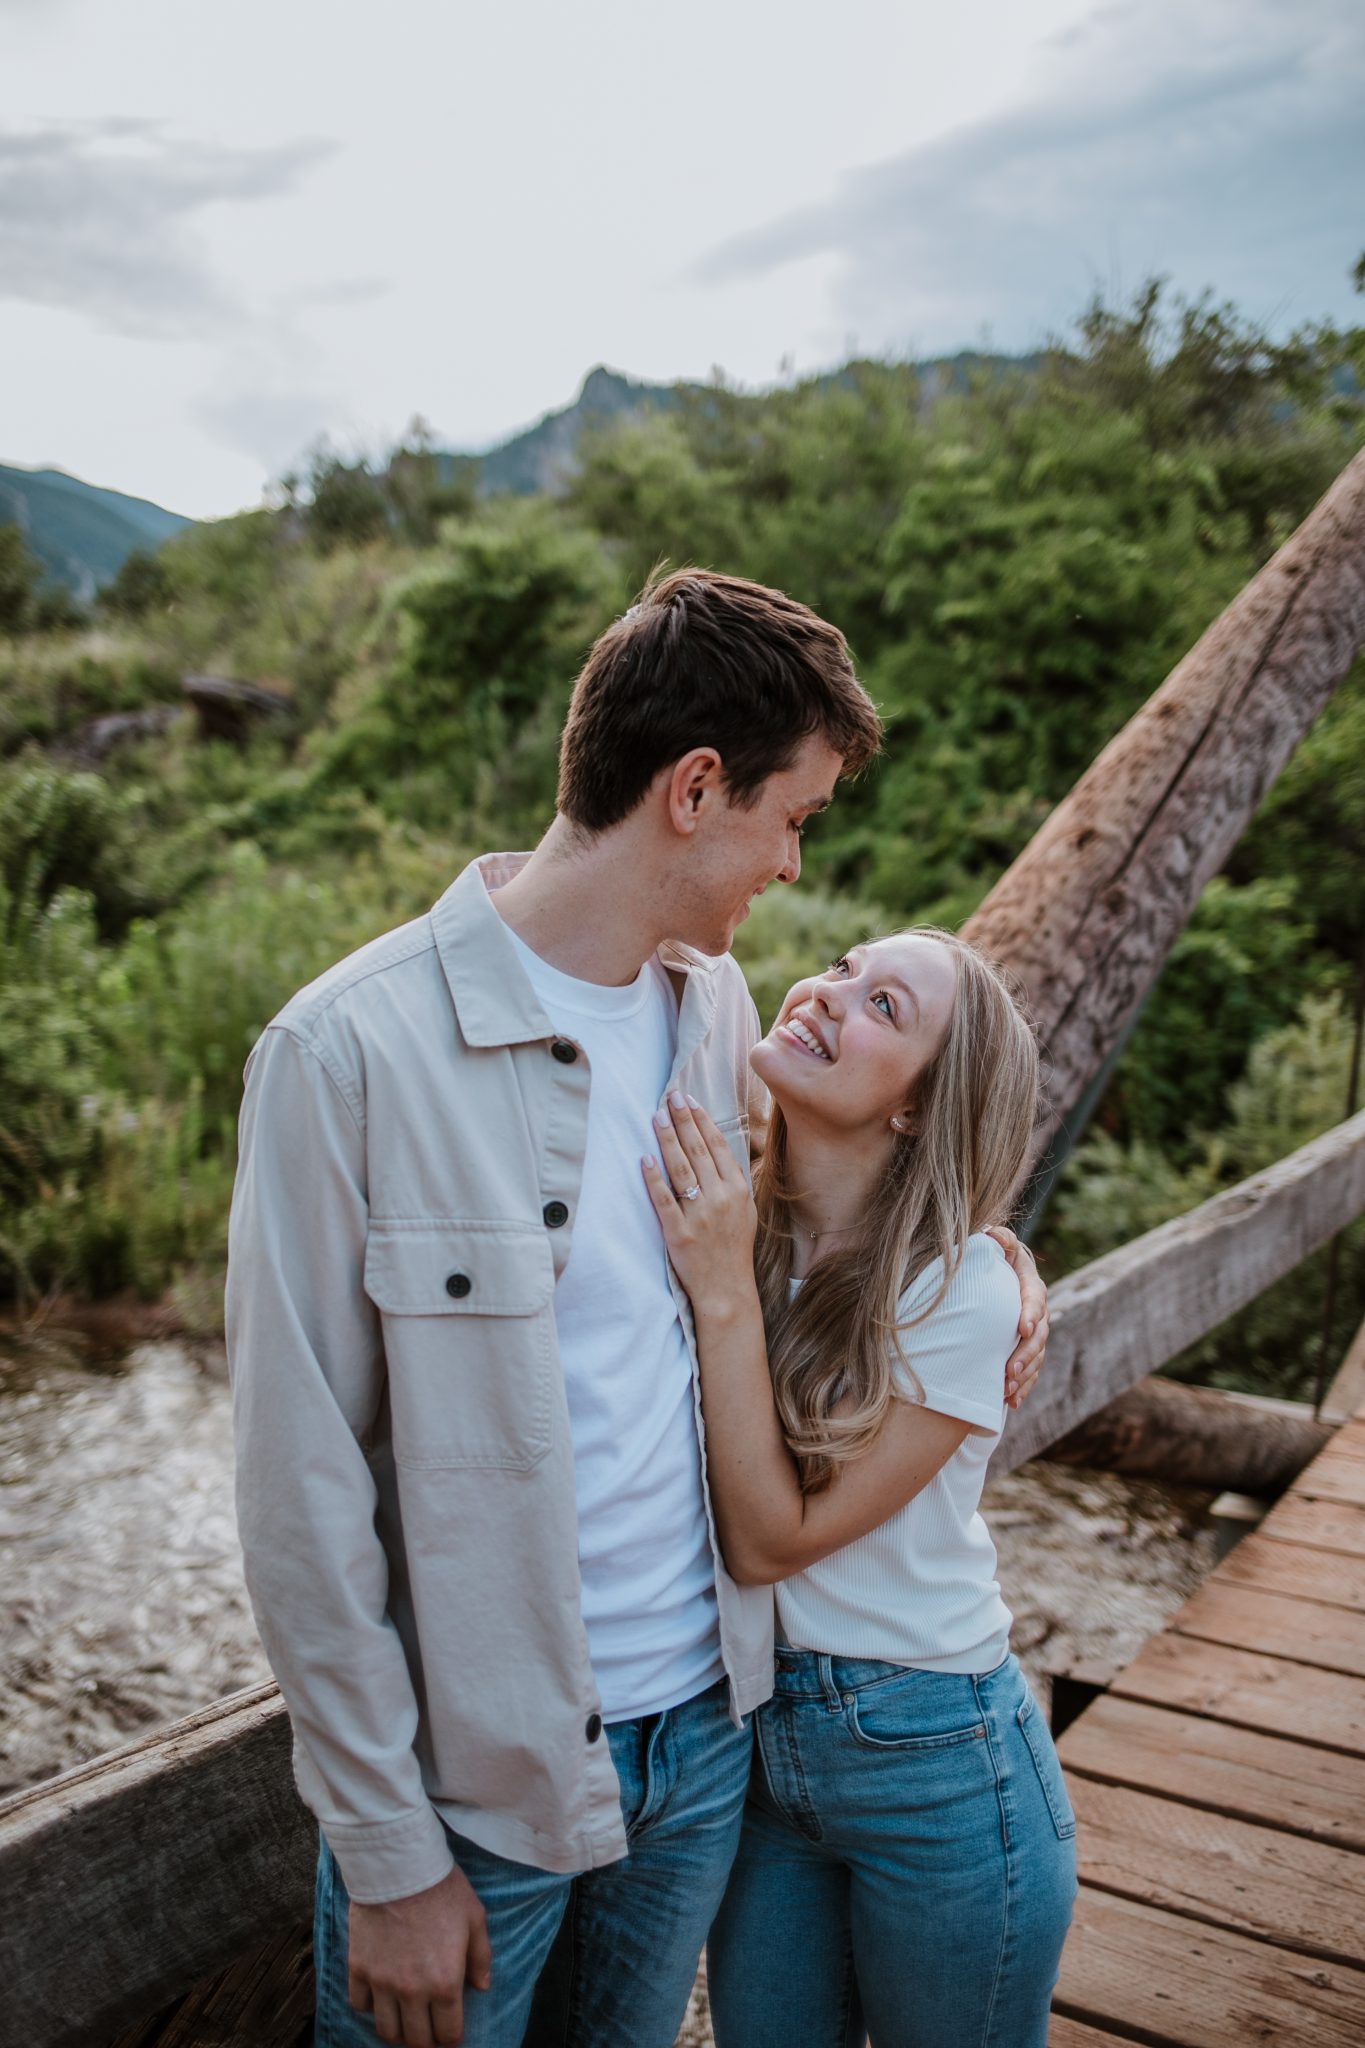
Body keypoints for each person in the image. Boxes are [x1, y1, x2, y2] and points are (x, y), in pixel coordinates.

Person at [225, 571, 1051, 2048]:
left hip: (707, 1759)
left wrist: (996, 1255)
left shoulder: (712, 1013)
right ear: (693, 790)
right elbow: (298, 1497)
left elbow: (861, 1186)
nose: (792, 869)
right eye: (790, 818)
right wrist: (387, 1850)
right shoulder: (344, 1054)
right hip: (478, 1800)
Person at [642, 930, 1077, 2048]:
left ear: (921, 1108)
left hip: (938, 1762)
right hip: (756, 1753)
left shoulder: (961, 1289)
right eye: (841, 966)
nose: (829, 995)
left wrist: (724, 1295)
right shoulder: (733, 1206)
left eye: (883, 1003)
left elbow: (770, 1542)